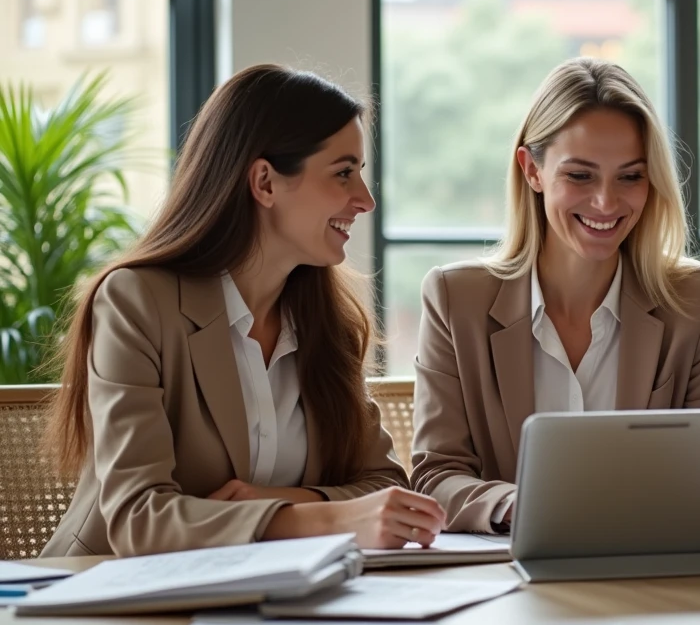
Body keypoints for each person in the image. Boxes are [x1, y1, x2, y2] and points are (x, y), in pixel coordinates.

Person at [42, 64, 446, 558]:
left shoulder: (328, 322)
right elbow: (140, 520)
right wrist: (325, 517)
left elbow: (381, 484)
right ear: (265, 182)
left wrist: (274, 503)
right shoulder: (137, 302)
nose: (364, 200)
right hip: (112, 602)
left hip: (273, 601)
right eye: (343, 173)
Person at [410, 58, 700, 533]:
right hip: (506, 580)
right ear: (532, 170)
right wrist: (526, 506)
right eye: (580, 176)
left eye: (630, 177)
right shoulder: (454, 298)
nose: (606, 203)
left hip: (650, 570)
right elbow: (434, 475)